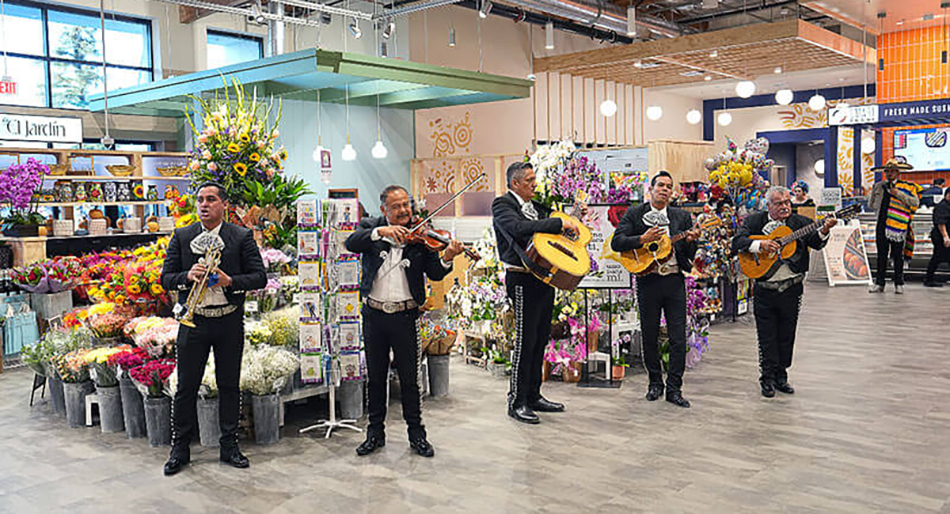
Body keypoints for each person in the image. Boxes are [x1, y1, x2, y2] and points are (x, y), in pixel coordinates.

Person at [345, 185, 464, 457]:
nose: (404, 211)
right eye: (396, 206)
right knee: (376, 378)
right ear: (384, 209)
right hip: (374, 314)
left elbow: (434, 273)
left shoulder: (422, 234)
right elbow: (352, 242)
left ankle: (417, 435)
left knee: (410, 379)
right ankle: (375, 434)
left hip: (406, 315)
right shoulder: (371, 227)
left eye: (406, 205)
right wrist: (382, 232)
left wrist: (447, 256)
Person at [161, 182, 267, 476]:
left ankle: (229, 445)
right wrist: (186, 275)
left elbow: (259, 278)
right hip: (193, 320)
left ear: (223, 205)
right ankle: (179, 448)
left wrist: (230, 281)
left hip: (228, 319)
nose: (204, 205)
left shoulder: (241, 235)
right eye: (200, 200)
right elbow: (165, 278)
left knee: (230, 385)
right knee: (185, 388)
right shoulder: (182, 236)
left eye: (210, 200)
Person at [492, 161, 585, 424]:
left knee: (540, 337)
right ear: (515, 184)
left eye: (535, 179)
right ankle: (517, 401)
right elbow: (518, 229)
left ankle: (533, 395)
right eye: (530, 180)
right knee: (525, 340)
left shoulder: (537, 206)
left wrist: (573, 217)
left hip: (545, 276)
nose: (535, 184)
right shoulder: (503, 205)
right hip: (521, 278)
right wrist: (556, 223)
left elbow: (559, 224)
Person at [733, 186, 836, 398]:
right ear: (768, 205)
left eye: (788, 202)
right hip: (764, 289)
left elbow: (816, 244)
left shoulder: (801, 223)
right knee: (766, 336)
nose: (785, 206)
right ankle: (767, 377)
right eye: (779, 203)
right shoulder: (754, 221)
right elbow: (737, 242)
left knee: (787, 334)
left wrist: (825, 229)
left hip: (792, 287)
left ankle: (782, 375)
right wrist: (760, 245)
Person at [611, 171, 699, 408]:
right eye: (660, 185)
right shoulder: (635, 213)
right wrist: (641, 239)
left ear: (672, 193)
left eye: (669, 187)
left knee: (678, 337)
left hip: (674, 281)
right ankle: (654, 384)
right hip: (647, 280)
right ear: (650, 189)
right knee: (649, 335)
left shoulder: (681, 217)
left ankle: (674, 388)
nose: (664, 189)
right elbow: (616, 242)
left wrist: (691, 242)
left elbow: (689, 255)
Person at [868, 158, 921, 294]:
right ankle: (879, 283)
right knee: (881, 255)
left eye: (892, 171)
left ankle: (899, 283)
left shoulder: (907, 187)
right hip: (881, 223)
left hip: (898, 226)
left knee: (898, 255)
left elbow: (915, 202)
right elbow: (871, 204)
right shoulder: (878, 186)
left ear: (898, 172)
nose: (889, 173)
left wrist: (899, 194)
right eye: (887, 171)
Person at [924, 187, 950, 287]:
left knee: (943, 257)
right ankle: (928, 279)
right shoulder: (942, 206)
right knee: (937, 257)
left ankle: (929, 279)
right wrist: (945, 236)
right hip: (940, 237)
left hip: (945, 236)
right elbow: (941, 223)